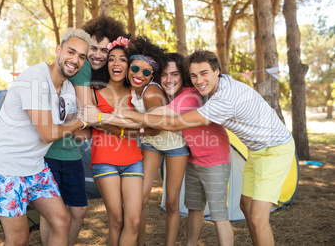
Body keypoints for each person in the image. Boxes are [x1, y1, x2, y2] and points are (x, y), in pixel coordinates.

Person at [81, 50, 295, 246]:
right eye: (194, 75)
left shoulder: (217, 99)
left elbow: (167, 122)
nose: (199, 80)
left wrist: (104, 117)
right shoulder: (205, 89)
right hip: (243, 152)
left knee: (246, 216)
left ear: (217, 71)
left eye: (204, 73)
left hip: (271, 149)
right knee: (244, 207)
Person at [0, 28, 92, 246]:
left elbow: (76, 129)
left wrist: (111, 120)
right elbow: (49, 133)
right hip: (6, 167)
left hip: (34, 167)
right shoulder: (35, 78)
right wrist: (83, 119)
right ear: (58, 50)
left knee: (62, 221)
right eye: (71, 52)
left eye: (81, 57)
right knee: (18, 239)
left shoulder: (68, 89)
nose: (75, 60)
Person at [42, 16, 128, 245]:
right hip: (51, 149)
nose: (98, 55)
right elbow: (87, 114)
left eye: (104, 50)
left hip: (71, 153)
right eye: (93, 48)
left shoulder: (97, 75)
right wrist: (128, 124)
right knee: (55, 215)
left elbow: (87, 125)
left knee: (76, 212)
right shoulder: (83, 68)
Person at [162, 53, 234, 245]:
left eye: (175, 74)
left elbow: (157, 116)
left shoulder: (189, 96)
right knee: (194, 208)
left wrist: (113, 116)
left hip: (215, 159)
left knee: (219, 215)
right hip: (194, 159)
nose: (170, 79)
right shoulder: (181, 94)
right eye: (165, 75)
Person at [124, 40, 189, 246]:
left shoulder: (151, 92)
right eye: (134, 68)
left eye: (145, 71)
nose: (139, 74)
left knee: (171, 202)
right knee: (140, 199)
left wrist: (127, 129)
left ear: (151, 75)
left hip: (175, 144)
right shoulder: (135, 86)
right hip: (151, 143)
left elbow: (157, 125)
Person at [89, 37, 144, 246]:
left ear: (129, 66)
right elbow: (92, 124)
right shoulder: (94, 94)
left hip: (133, 159)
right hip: (104, 160)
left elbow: (143, 130)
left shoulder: (136, 95)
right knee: (117, 219)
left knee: (134, 221)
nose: (116, 63)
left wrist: (113, 124)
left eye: (122, 59)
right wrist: (128, 125)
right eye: (111, 59)